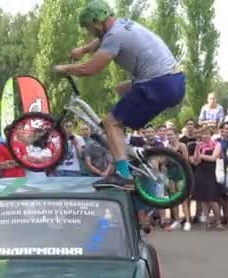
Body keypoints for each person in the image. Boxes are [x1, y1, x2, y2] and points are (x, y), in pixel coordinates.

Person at [53, 0, 185, 190]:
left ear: (97, 21)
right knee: (121, 89)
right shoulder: (122, 23)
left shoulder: (114, 36)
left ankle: (123, 175)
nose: (90, 32)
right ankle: (119, 136)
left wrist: (65, 68)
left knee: (110, 122)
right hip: (174, 80)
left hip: (158, 83)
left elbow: (90, 69)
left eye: (90, 27)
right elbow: (102, 39)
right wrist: (83, 49)